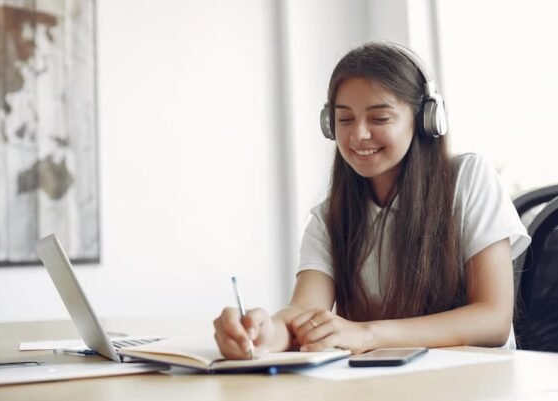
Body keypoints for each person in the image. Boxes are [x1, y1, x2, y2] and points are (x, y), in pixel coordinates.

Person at [213, 41, 531, 359]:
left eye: (379, 119)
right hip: (383, 387)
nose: (358, 135)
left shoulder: (468, 178)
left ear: (424, 120)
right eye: (345, 119)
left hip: (476, 385)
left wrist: (368, 333)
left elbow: (493, 320)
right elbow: (303, 312)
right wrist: (263, 333)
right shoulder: (330, 216)